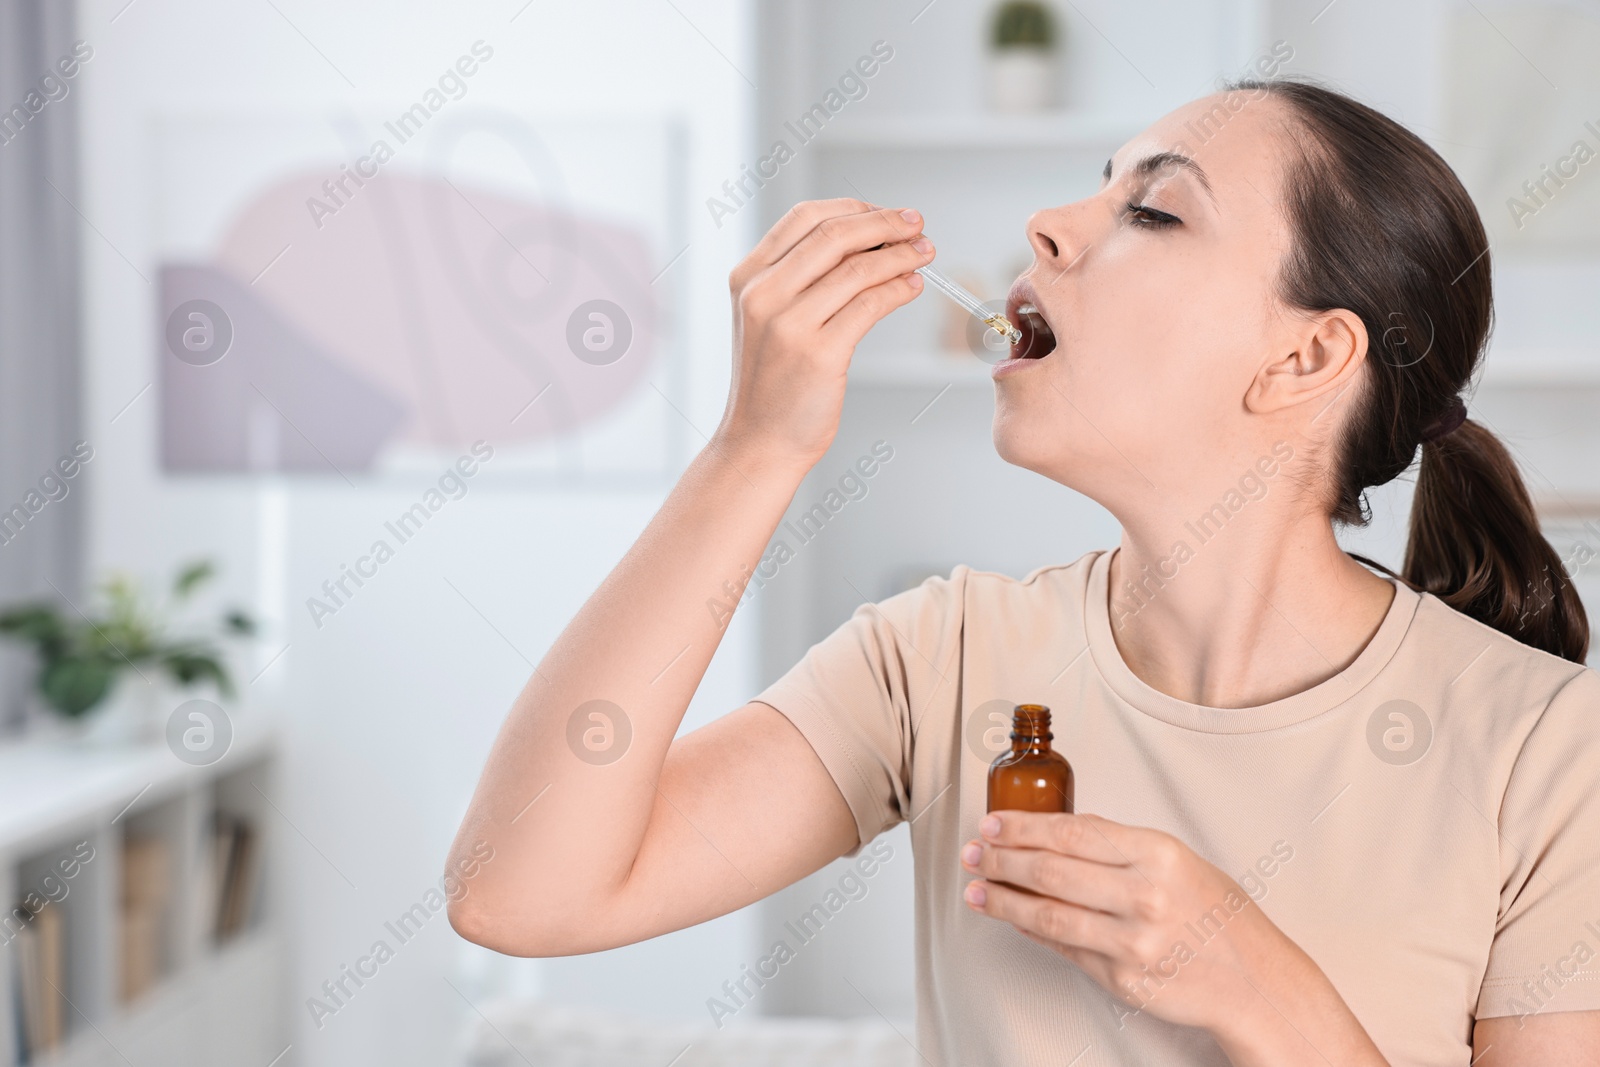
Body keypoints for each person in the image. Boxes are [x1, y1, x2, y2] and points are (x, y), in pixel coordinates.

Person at [446, 78, 1600, 1065]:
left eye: (1150, 209)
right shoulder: (940, 658)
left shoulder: (1547, 750)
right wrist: (756, 446)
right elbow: (515, 889)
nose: (1047, 223)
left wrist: (1259, 988)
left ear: (1304, 356)